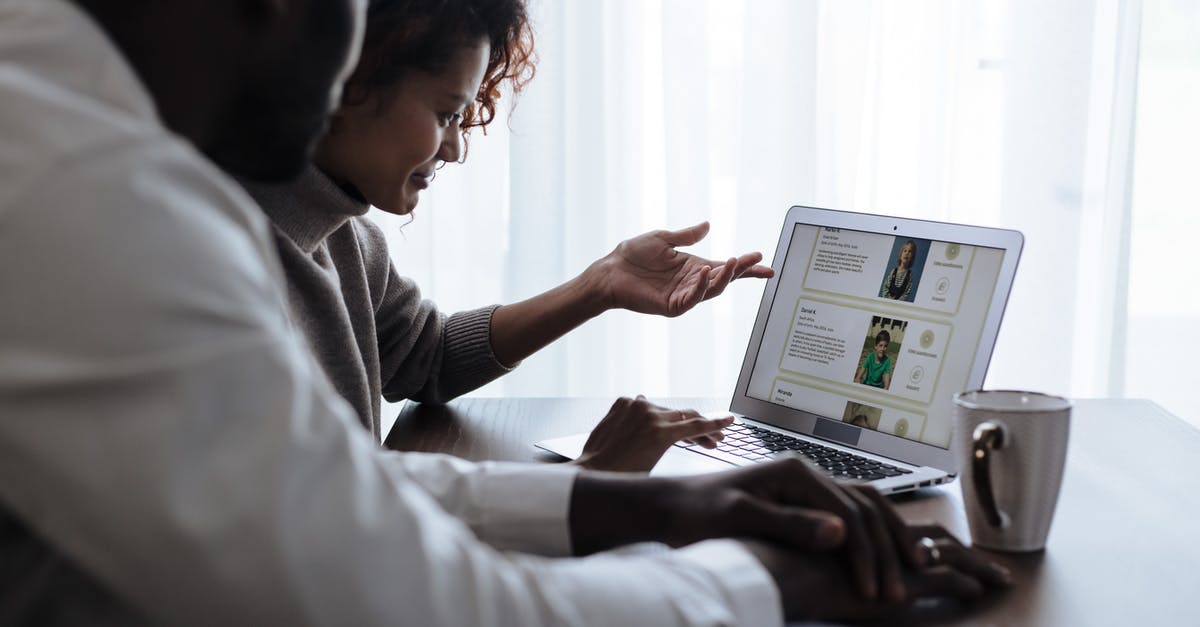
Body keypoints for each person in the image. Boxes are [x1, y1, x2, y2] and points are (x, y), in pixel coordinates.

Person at [0, 0, 1009, 624]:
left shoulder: (79, 138)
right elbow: (412, 602)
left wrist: (663, 504)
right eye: (444, 110)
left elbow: (332, 483)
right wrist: (758, 577)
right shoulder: (92, 192)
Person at [237, 0, 769, 470]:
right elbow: (321, 524)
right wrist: (586, 482)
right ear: (350, 76)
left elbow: (428, 358)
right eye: (446, 113)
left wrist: (601, 284)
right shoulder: (225, 259)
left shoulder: (346, 238)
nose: (454, 148)